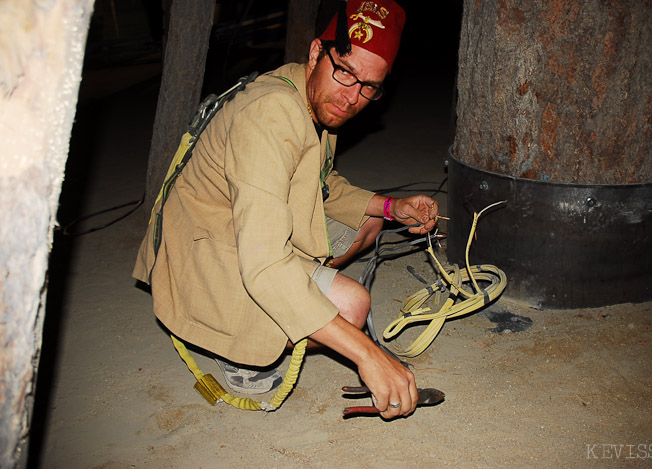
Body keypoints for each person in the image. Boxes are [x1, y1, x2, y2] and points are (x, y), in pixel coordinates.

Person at [133, 0, 439, 419]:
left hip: (244, 228)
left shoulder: (313, 97)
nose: (352, 97)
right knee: (351, 308)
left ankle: (291, 304)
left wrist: (391, 206)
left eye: (369, 85)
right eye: (345, 71)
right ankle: (237, 345)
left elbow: (321, 183)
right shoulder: (271, 113)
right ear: (316, 52)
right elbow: (262, 261)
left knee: (368, 222)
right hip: (205, 252)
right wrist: (368, 355)